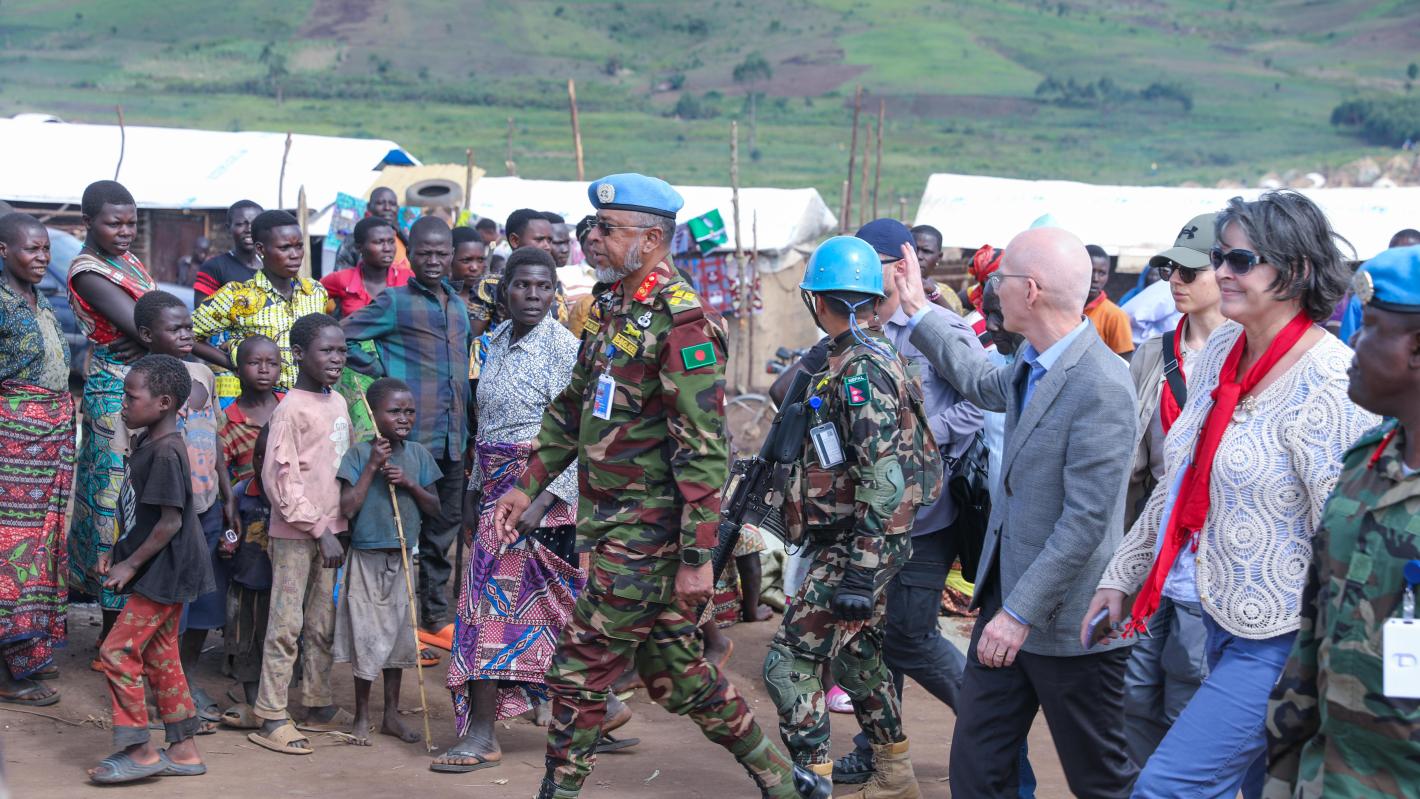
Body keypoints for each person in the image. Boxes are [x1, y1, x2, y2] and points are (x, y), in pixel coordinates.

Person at [493, 173, 830, 799]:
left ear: (650, 239)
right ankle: (785, 781)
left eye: (607, 229)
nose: (592, 238)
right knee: (675, 670)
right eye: (592, 227)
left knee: (577, 670)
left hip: (649, 535)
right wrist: (527, 486)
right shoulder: (613, 305)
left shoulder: (682, 322)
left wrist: (698, 558)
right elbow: (573, 407)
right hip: (615, 525)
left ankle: (557, 791)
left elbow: (702, 450)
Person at [1089, 190, 1378, 799]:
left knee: (1167, 786)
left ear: (1296, 270)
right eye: (1220, 257)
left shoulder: (1330, 383)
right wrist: (1123, 572)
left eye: (1240, 260)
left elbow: (1348, 543)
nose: (1220, 271)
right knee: (1254, 788)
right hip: (1218, 615)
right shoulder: (1224, 347)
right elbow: (1182, 475)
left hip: (1283, 639)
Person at [896, 226, 1141, 798]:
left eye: (1000, 279)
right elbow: (979, 380)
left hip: (1068, 625)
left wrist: (1019, 614)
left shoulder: (1102, 384)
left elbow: (1084, 523)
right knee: (979, 769)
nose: (992, 289)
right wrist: (918, 309)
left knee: (1100, 780)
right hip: (1004, 606)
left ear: (1029, 290)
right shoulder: (1032, 361)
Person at [434, 248, 637, 772]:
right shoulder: (494, 342)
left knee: (490, 610)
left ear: (554, 293)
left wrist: (543, 499)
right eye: (522, 285)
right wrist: (474, 490)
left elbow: (584, 434)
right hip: (494, 491)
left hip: (539, 499)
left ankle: (483, 735)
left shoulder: (565, 350)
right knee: (538, 611)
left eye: (543, 287)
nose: (533, 295)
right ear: (504, 290)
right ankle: (601, 706)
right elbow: (486, 426)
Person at [762, 234, 941, 799]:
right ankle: (894, 775)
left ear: (818, 299)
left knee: (789, 662)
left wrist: (860, 574)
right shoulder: (857, 355)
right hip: (861, 539)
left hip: (860, 543)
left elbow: (882, 478)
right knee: (859, 658)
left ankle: (811, 784)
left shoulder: (861, 370)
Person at [831, 220, 986, 788]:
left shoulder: (939, 327)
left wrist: (916, 438)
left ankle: (992, 728)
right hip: (869, 515)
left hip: (926, 516)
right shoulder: (859, 326)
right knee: (871, 635)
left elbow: (980, 402)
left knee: (911, 636)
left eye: (872, 261)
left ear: (901, 265)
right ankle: (878, 748)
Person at [1265, 244, 1420, 799]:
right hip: (1328, 778)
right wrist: (1283, 775)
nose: (1353, 341)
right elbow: (1315, 630)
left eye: (1372, 327)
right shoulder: (1365, 462)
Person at [1119, 214, 1224, 769]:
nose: (1175, 280)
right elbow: (1131, 466)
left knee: (1189, 687)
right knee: (1134, 691)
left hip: (1213, 552)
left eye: (1189, 270)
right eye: (1169, 269)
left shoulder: (1246, 358)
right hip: (1153, 545)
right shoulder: (1152, 355)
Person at [343, 216, 471, 656]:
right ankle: (397, 625)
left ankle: (434, 618)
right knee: (403, 529)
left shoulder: (457, 306)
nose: (433, 260)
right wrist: (383, 372)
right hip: (413, 438)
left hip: (453, 437)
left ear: (451, 256)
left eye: (441, 253)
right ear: (409, 256)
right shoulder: (395, 302)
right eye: (424, 253)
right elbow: (345, 336)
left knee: (443, 528)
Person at [87, 354, 213, 783]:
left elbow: (170, 522)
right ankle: (184, 749)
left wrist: (129, 564)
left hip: (167, 570)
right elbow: (142, 515)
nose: (123, 403)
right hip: (162, 567)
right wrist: (117, 550)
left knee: (117, 651)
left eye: (130, 396)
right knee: (160, 654)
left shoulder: (166, 453)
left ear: (163, 403)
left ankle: (138, 750)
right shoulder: (147, 443)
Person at [248, 313, 352, 756]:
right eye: (326, 351)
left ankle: (316, 701)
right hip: (297, 533)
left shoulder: (339, 401)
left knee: (322, 623)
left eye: (341, 351)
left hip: (332, 531)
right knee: (286, 624)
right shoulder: (290, 409)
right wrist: (317, 528)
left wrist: (339, 525)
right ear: (298, 354)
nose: (336, 359)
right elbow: (280, 479)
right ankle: (271, 713)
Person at [133, 291, 239, 724]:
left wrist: (228, 496)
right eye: (174, 329)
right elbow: (131, 453)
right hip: (169, 510)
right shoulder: (140, 383)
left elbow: (213, 437)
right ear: (147, 335)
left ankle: (185, 676)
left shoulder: (203, 374)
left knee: (205, 600)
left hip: (207, 505)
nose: (185, 336)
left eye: (189, 328)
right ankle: (163, 689)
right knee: (169, 603)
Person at [68, 180, 158, 633]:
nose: (125, 232)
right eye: (114, 223)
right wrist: (149, 337)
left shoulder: (126, 260)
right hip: (114, 396)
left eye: (131, 223)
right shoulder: (87, 271)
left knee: (140, 496)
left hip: (144, 385)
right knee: (112, 502)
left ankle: (130, 616)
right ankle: (109, 624)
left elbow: (150, 326)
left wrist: (148, 338)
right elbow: (146, 325)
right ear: (88, 222)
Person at [334, 377, 442, 745]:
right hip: (366, 557)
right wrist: (372, 467)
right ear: (374, 414)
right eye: (394, 411)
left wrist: (410, 484)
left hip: (403, 557)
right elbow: (347, 508)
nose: (404, 417)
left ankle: (391, 714)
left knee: (399, 638)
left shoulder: (418, 455)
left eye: (409, 411)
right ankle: (362, 714)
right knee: (366, 635)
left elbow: (435, 508)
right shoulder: (358, 455)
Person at [0, 214, 74, 704]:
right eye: (32, 249)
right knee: (10, 550)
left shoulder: (39, 299)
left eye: (46, 248)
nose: (42, 257)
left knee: (41, 545)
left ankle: (24, 653)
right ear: (3, 251)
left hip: (49, 444)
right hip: (13, 444)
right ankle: (6, 673)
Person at [193, 210, 330, 391]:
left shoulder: (315, 291)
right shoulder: (238, 296)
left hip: (314, 397)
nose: (295, 254)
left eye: (299, 246)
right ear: (260, 249)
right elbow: (188, 335)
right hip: (264, 401)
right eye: (284, 248)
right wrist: (234, 363)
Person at [473, 210, 564, 336]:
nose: (547, 246)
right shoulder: (489, 284)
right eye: (539, 239)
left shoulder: (553, 283)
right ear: (515, 240)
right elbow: (474, 338)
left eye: (549, 240)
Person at [1338, 228, 1420, 343]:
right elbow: (1348, 345)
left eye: (1410, 257)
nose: (1401, 262)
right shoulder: (1360, 301)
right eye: (1394, 256)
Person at [219, 335, 282, 485]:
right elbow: (220, 473)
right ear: (237, 371)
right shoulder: (227, 423)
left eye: (272, 364)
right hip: (254, 496)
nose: (264, 370)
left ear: (280, 371)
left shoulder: (292, 406)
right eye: (254, 363)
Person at [321, 217, 413, 318]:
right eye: (379, 242)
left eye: (391, 242)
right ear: (359, 247)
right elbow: (310, 297)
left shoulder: (408, 278)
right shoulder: (342, 279)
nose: (387, 248)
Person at [194, 200, 263, 304]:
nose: (249, 229)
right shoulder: (214, 268)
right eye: (240, 224)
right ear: (228, 229)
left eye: (255, 224)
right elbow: (201, 312)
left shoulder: (273, 267)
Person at [336, 187, 408, 272]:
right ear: (369, 207)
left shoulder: (405, 239)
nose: (387, 208)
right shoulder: (353, 241)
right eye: (380, 203)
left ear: (398, 208)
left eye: (392, 204)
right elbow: (341, 276)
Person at [1084, 244, 1135, 357]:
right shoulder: (1063, 307)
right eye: (1091, 270)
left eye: (1102, 273)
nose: (1095, 278)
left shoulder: (1115, 316)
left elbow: (1124, 361)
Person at [910, 224, 966, 315]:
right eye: (914, 249)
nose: (918, 256)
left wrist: (934, 293)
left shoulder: (947, 294)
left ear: (939, 257)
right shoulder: (889, 286)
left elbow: (957, 323)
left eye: (926, 251)